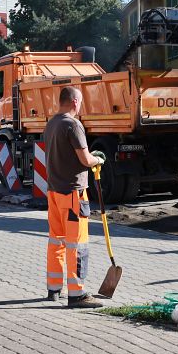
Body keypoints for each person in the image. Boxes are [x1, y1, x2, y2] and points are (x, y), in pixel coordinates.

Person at [42, 85, 105, 308]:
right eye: (80, 103)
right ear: (75, 102)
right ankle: (77, 294)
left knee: (56, 241)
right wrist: (98, 160)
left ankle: (54, 288)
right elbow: (85, 160)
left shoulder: (51, 124)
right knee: (76, 245)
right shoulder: (72, 125)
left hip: (54, 192)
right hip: (72, 194)